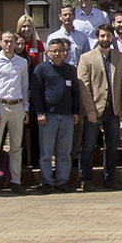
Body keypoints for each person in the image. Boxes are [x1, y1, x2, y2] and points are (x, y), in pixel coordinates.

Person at [76, 25, 122, 191]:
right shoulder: (86, 58)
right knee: (88, 146)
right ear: (97, 37)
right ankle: (85, 179)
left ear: (112, 37)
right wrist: (89, 109)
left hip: (114, 110)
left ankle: (110, 179)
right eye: (102, 36)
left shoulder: (121, 58)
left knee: (112, 146)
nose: (105, 39)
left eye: (108, 36)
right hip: (94, 109)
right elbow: (83, 86)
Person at [0, 30, 30, 195]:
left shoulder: (22, 62)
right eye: (6, 41)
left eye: (12, 41)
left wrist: (25, 109)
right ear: (0, 43)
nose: (9, 45)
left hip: (16, 106)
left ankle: (16, 181)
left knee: (16, 147)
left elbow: (24, 87)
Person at [30, 38, 80, 193]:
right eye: (54, 51)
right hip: (48, 116)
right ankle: (46, 181)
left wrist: (75, 112)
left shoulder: (69, 70)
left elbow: (75, 93)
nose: (57, 53)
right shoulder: (41, 69)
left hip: (66, 117)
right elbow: (36, 94)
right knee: (46, 152)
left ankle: (61, 181)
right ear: (48, 53)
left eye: (60, 51)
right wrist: (40, 113)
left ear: (65, 53)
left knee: (64, 152)